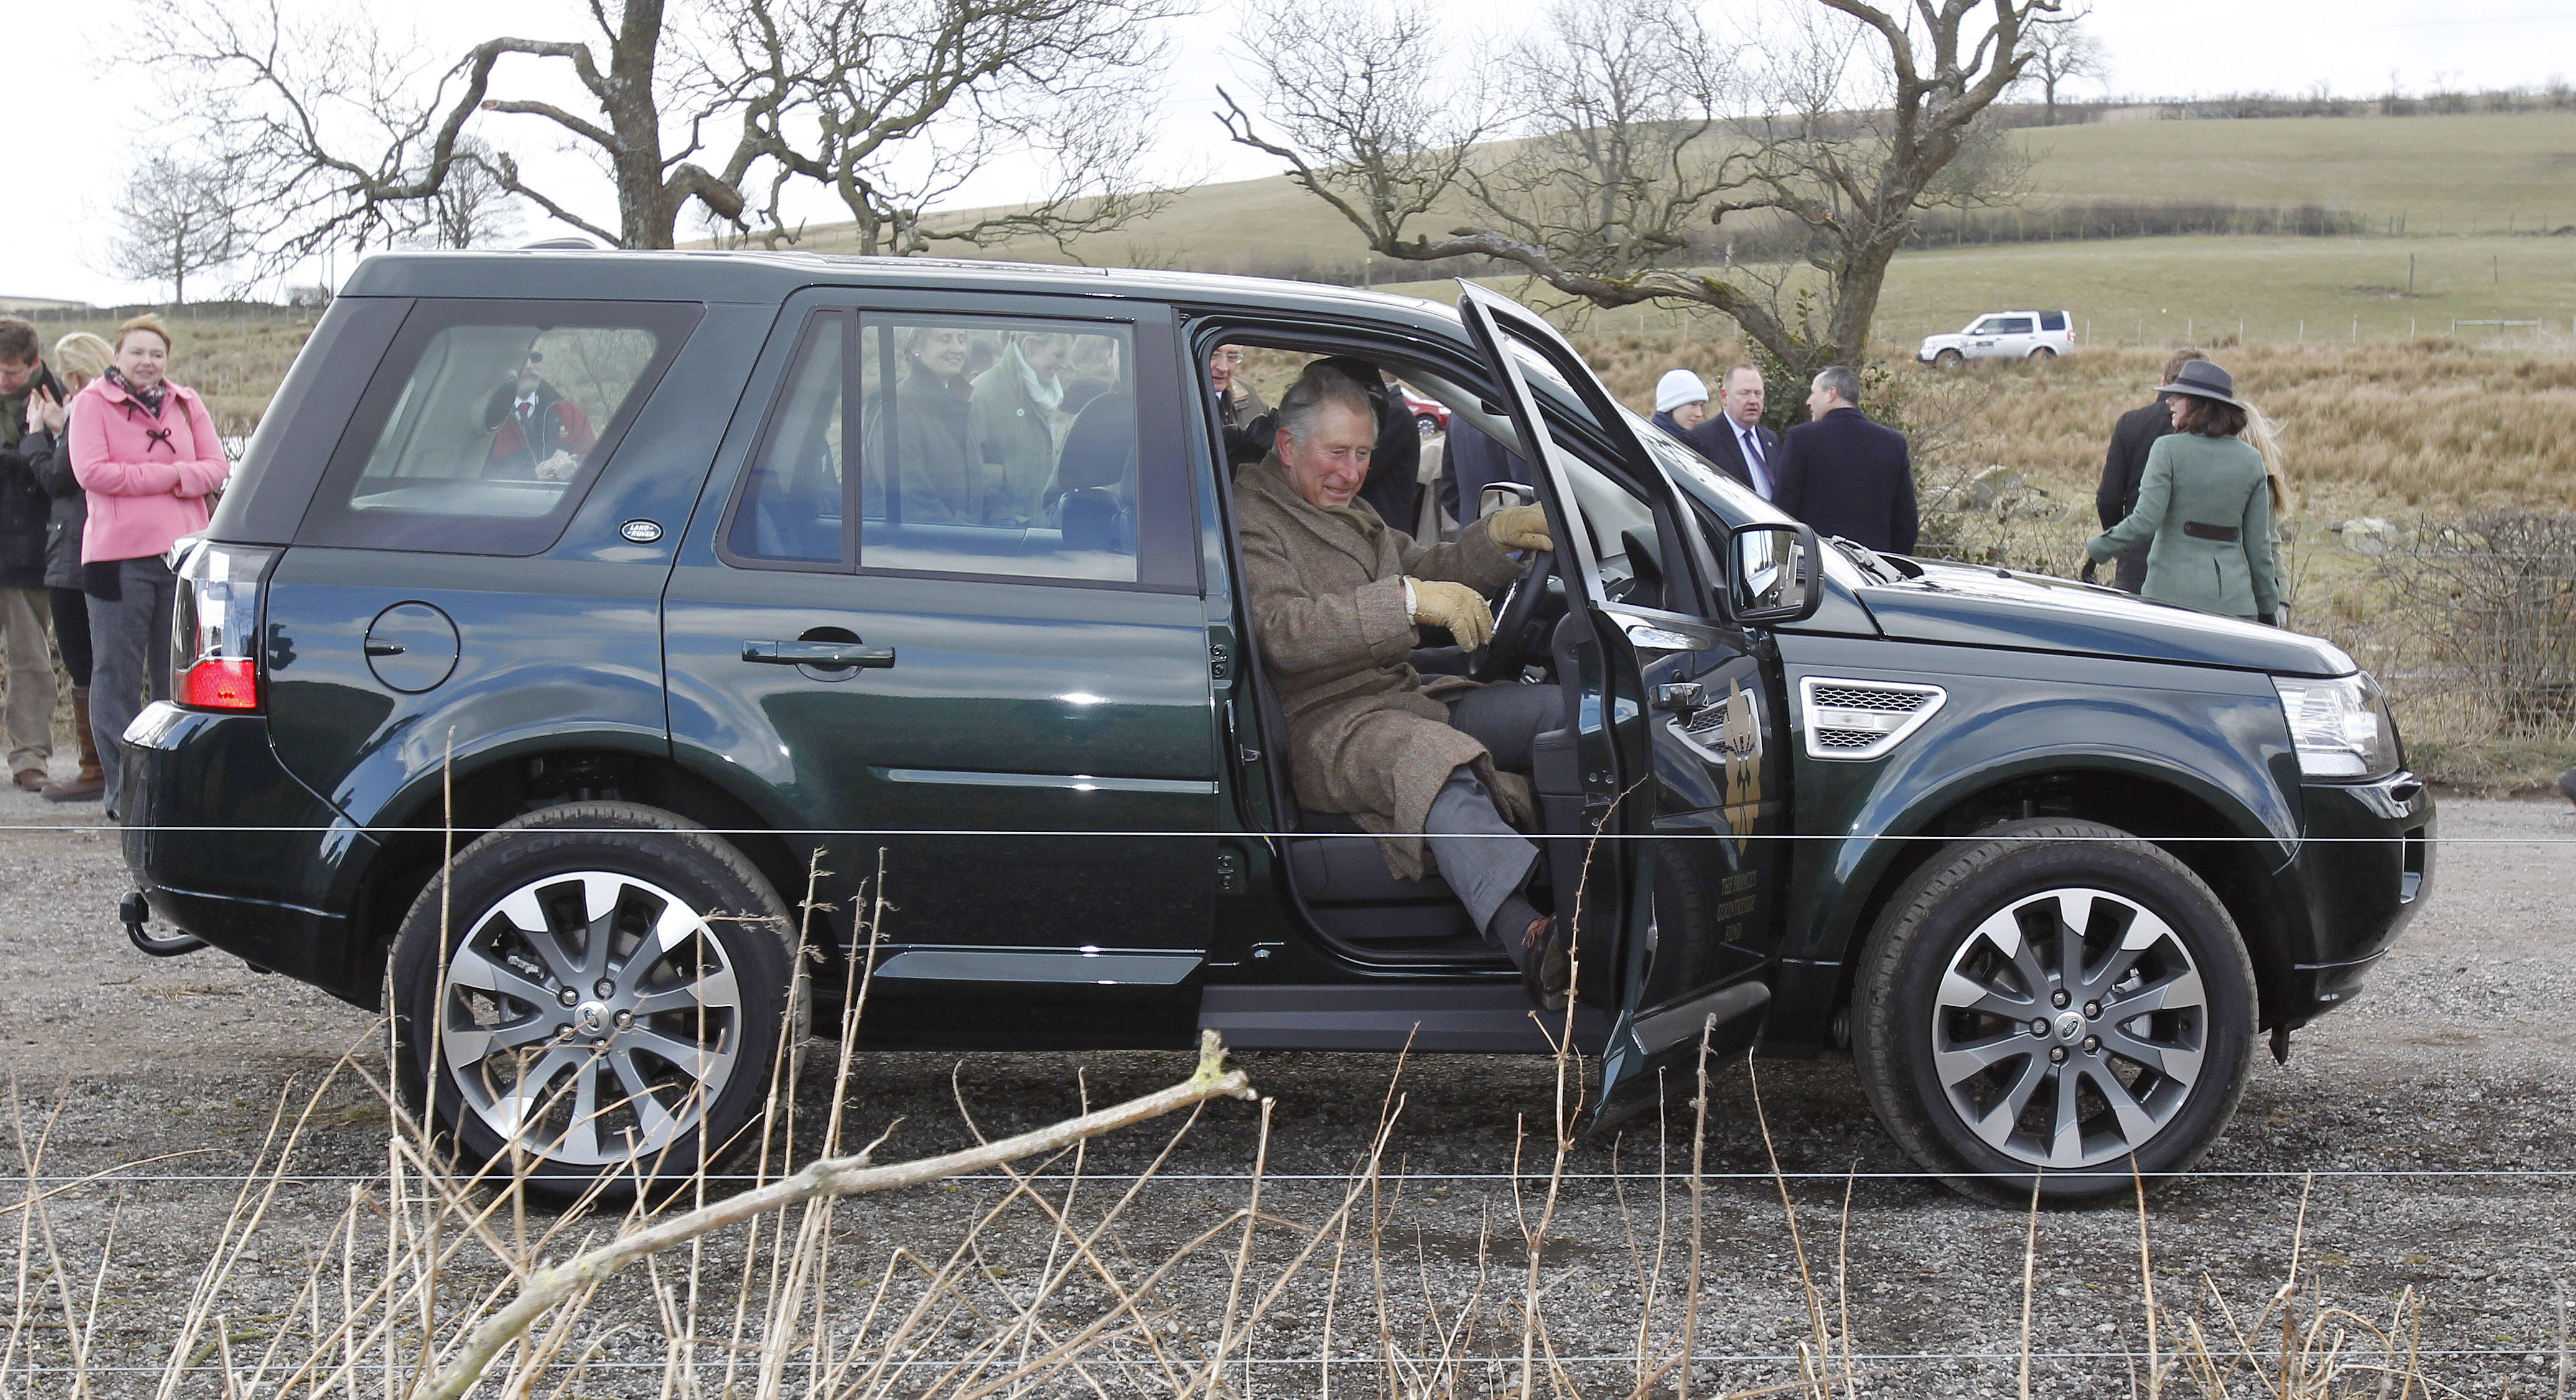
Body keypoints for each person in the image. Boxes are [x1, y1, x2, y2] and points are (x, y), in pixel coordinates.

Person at [1234, 363, 1571, 1009]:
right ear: (1287, 446)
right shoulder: (1255, 519)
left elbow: (1420, 566)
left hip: (1402, 697)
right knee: (1432, 761)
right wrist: (1407, 602)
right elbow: (1283, 632)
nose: (1352, 472)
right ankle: (1527, 936)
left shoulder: (1347, 510)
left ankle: (1604, 894)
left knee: (1564, 714)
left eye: (1363, 454)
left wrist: (1496, 541)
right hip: (1327, 725)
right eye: (1337, 453)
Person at [71, 315, 230, 815]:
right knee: (116, 674)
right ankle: (125, 790)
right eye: (137, 353)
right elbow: (92, 472)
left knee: (176, 676)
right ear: (118, 356)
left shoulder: (186, 403)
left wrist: (157, 476)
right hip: (117, 560)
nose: (147, 362)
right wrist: (174, 476)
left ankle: (171, 788)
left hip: (181, 556)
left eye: (156, 354)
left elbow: (218, 468)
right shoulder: (91, 404)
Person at [2083, 359, 2283, 625]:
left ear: (2200, 405)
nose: (2169, 402)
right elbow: (2259, 548)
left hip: (2170, 601)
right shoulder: (2252, 461)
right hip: (2235, 606)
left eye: (2178, 397)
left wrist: (2098, 548)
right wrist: (2269, 608)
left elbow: (2145, 521)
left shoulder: (2166, 450)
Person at [16, 332, 113, 800]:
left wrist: (36, 437)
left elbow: (60, 477)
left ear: (73, 374)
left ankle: (96, 768)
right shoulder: (111, 408)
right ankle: (105, 765)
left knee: (84, 663)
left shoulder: (88, 409)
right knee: (109, 662)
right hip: (96, 547)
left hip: (73, 549)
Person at [0, 317, 66, 790]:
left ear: (34, 365)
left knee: (31, 660)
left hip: (27, 549)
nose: (3, 380)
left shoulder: (63, 404)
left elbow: (61, 472)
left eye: (10, 372)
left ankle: (30, 756)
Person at [2094, 348, 2208, 592]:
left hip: (2135, 565)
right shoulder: (2215, 434)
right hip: (2195, 574)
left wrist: (2120, 544)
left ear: (2165, 382)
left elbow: (2109, 499)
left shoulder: (2131, 423)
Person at [1773, 365, 1918, 555]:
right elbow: (1906, 524)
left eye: (1813, 393)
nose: (1809, 402)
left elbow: (1782, 513)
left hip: (1820, 570)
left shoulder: (1801, 439)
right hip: (1875, 571)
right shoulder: (1893, 443)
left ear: (1831, 394)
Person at [862, 325, 987, 525]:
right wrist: (964, 533)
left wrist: (1000, 513)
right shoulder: (898, 411)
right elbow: (911, 501)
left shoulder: (959, 400)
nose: (958, 349)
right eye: (945, 340)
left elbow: (972, 481)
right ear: (915, 346)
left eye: (961, 339)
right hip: (921, 549)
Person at [973, 330, 1072, 526]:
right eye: (1059, 355)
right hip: (1001, 535)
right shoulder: (981, 394)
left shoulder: (1046, 396)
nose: (1065, 365)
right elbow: (962, 471)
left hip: (1041, 531)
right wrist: (1005, 478)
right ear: (1030, 348)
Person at [480, 348, 597, 481]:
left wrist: (571, 471)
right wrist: (533, 476)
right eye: (522, 357)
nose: (530, 365)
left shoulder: (569, 413)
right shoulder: (485, 419)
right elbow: (476, 477)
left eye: (535, 358)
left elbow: (595, 468)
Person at [1684, 365, 1781, 501]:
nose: (1753, 401)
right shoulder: (1703, 438)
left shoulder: (1770, 438)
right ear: (1725, 397)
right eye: (1744, 393)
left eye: (1758, 393)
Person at [1437, 417, 1529, 530]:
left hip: (1470, 535)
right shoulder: (1517, 416)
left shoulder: (1458, 414)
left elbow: (1449, 492)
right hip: (1514, 537)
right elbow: (1531, 492)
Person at [1648, 370, 1709, 449]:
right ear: (1671, 406)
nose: (1699, 414)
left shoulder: (1695, 443)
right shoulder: (1653, 447)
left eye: (1701, 406)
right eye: (1693, 404)